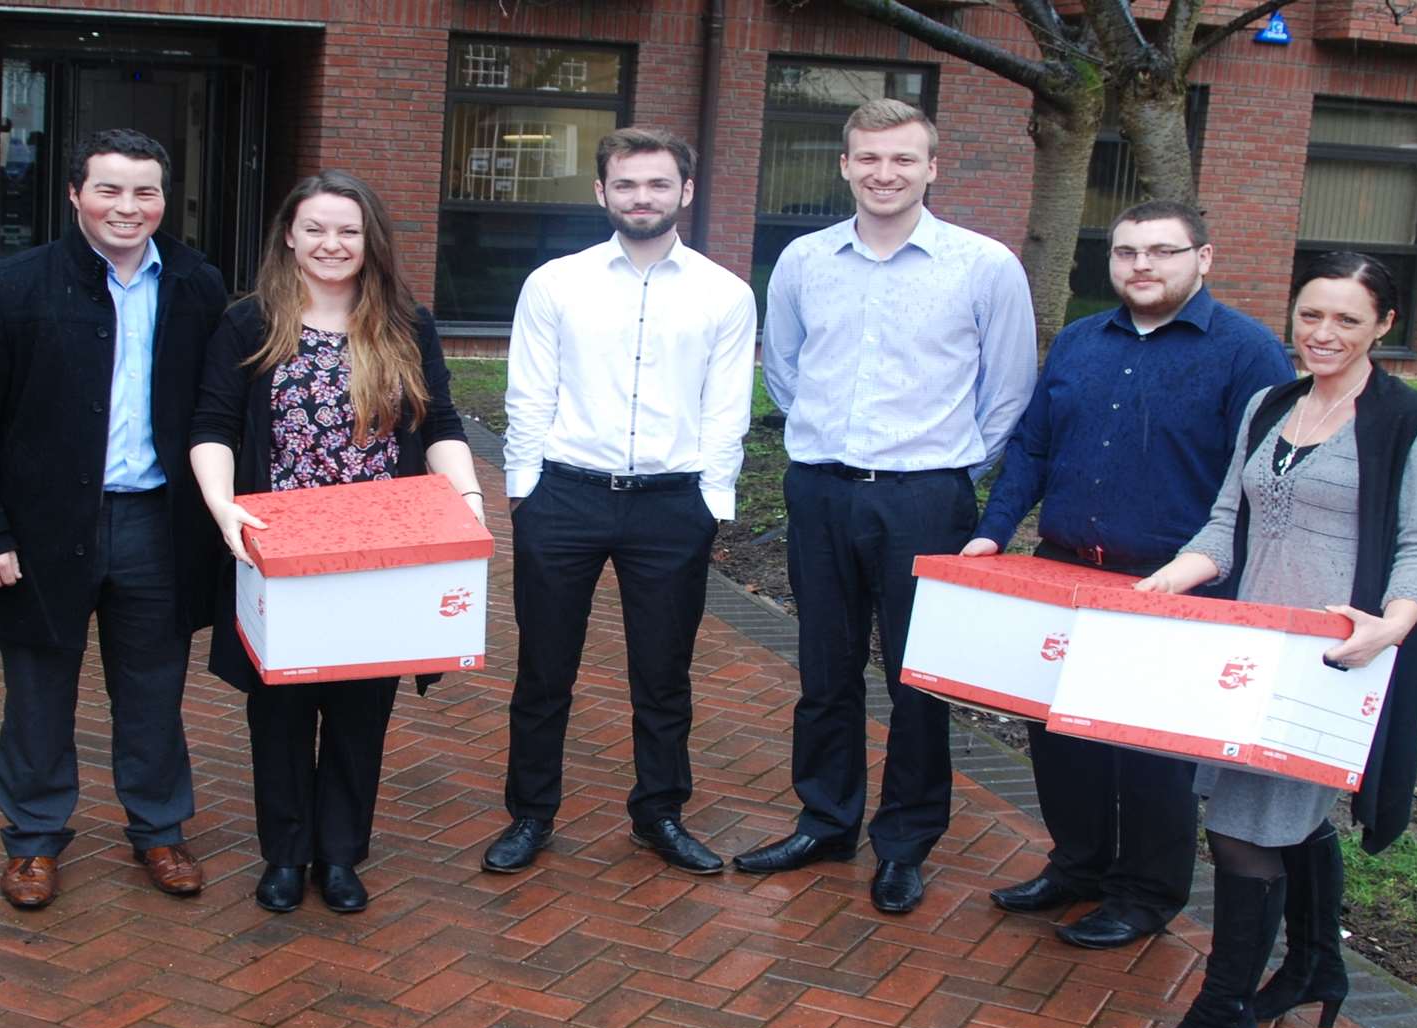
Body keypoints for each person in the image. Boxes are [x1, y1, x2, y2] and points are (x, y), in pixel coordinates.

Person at [1115, 252, 1417, 1028]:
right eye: (1311, 314)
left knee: (1241, 830)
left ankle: (1217, 1016)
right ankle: (1313, 965)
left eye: (1346, 318)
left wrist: (1391, 628)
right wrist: (1158, 589)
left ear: (1384, 324)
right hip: (1248, 651)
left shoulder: (1410, 422)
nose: (1323, 333)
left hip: (1328, 663)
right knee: (1276, 818)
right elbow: (1222, 524)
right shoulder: (1272, 403)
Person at [737, 99, 1038, 914]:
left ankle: (904, 843)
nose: (884, 173)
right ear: (844, 166)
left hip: (926, 498)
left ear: (932, 168)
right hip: (822, 490)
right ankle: (825, 820)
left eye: (903, 159)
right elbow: (787, 369)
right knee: (824, 669)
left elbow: (1008, 391)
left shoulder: (984, 266)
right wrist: (831, 445)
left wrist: (943, 465)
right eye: (868, 158)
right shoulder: (803, 261)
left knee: (917, 680)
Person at [969, 200, 1294, 949]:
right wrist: (991, 533)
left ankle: (1146, 894)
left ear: (1203, 259)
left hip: (1175, 584)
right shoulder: (1081, 342)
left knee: (1148, 753)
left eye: (1162, 252)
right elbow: (1034, 448)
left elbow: (1260, 483)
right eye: (1125, 253)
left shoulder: (1248, 353)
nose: (1141, 266)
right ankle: (1079, 866)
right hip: (1067, 573)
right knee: (1058, 735)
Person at [0, 128, 226, 910]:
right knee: (37, 691)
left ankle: (160, 830)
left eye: (145, 192)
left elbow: (214, 410)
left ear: (163, 200)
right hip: (38, 530)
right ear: (74, 194)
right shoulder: (7, 288)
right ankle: (32, 841)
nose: (128, 207)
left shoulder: (199, 285)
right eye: (109, 189)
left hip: (156, 524)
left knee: (153, 691)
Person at [190, 170, 481, 913]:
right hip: (282, 553)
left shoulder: (405, 324)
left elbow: (441, 423)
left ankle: (342, 855)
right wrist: (224, 508)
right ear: (289, 235)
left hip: (381, 555)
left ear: (369, 240)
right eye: (316, 228)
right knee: (280, 709)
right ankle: (285, 855)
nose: (332, 243)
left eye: (348, 230)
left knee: (360, 710)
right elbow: (214, 425)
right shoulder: (251, 322)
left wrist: (469, 504)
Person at [481, 127, 756, 877]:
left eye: (658, 184)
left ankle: (659, 813)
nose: (643, 197)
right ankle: (531, 815)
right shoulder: (555, 283)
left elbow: (726, 407)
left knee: (664, 674)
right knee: (543, 669)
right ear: (601, 191)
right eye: (627, 184)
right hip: (564, 497)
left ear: (685, 192)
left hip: (671, 507)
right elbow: (528, 393)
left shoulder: (725, 293)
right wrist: (525, 493)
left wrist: (711, 503)